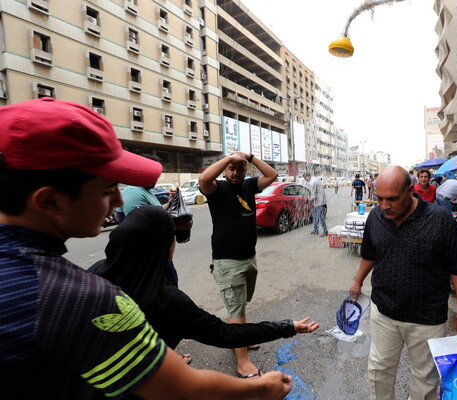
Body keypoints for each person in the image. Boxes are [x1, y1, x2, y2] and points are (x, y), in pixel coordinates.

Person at [0, 98, 292, 399]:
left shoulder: (40, 274)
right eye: (107, 190)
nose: (117, 201)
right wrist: (261, 388)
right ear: (49, 201)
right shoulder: (77, 297)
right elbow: (180, 387)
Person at [90, 206, 319, 352]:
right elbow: (226, 334)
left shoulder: (93, 275)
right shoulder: (168, 300)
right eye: (173, 237)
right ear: (164, 246)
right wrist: (287, 326)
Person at [349, 166, 457, 400]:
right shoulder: (376, 216)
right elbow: (369, 253)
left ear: (410, 190)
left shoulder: (440, 219)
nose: (385, 205)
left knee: (425, 378)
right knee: (379, 369)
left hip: (426, 317)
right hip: (384, 312)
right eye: (380, 198)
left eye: (392, 199)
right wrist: (357, 281)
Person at [199, 151, 278, 379]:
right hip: (227, 261)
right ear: (225, 170)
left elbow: (271, 174)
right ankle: (242, 362)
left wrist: (249, 158)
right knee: (236, 309)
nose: (235, 173)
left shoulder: (250, 185)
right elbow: (204, 179)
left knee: (241, 304)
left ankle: (241, 336)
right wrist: (230, 157)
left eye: (239, 169)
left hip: (249, 257)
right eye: (231, 169)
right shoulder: (217, 189)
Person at [305, 173, 328, 237]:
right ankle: (315, 229)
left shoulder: (313, 182)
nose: (305, 179)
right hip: (318, 201)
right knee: (315, 215)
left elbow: (313, 195)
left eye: (305, 178)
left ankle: (325, 231)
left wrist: (309, 200)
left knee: (320, 217)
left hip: (319, 201)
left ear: (308, 176)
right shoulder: (315, 179)